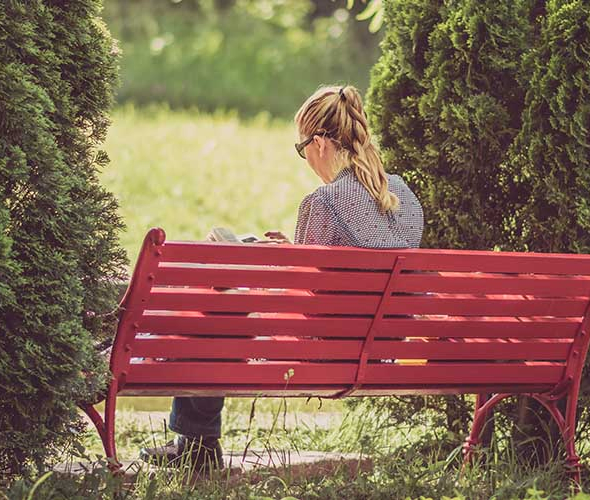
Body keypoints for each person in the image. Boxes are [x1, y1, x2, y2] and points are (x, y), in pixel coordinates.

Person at [140, 85, 424, 470]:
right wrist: (293, 251)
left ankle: (196, 447)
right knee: (221, 303)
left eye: (302, 147)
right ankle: (195, 446)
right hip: (380, 348)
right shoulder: (404, 196)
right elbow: (350, 269)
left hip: (322, 354)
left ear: (320, 143)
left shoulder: (323, 202)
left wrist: (262, 265)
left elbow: (301, 298)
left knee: (218, 309)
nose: (305, 157)